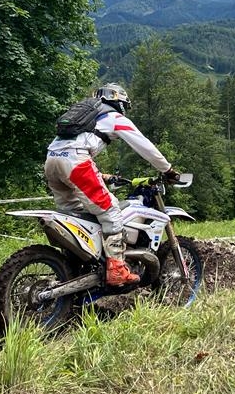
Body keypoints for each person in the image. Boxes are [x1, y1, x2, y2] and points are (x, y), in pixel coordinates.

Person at [44, 83, 179, 285]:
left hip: (51, 161)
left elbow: (73, 146)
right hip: (76, 163)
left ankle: (73, 266)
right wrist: (167, 169)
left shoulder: (87, 115)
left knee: (76, 215)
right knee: (111, 211)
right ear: (119, 102)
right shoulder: (114, 117)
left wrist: (100, 175)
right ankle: (116, 269)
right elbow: (144, 146)